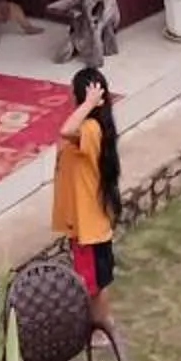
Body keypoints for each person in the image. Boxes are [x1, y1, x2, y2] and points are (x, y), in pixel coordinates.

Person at [51, 66, 121, 325]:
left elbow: (66, 130)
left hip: (89, 224)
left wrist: (88, 103)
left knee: (93, 283)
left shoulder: (90, 129)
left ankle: (102, 325)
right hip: (87, 221)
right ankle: (101, 322)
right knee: (95, 280)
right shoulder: (94, 127)